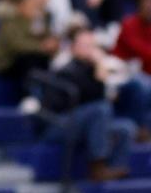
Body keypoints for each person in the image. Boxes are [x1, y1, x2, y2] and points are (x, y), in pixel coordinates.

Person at [45, 24, 135, 181]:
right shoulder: (67, 69)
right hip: (60, 123)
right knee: (100, 109)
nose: (89, 50)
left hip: (88, 123)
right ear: (72, 47)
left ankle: (115, 172)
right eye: (84, 45)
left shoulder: (92, 69)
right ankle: (97, 167)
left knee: (126, 128)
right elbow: (87, 96)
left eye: (92, 46)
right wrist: (100, 68)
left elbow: (106, 94)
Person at [0, 0, 58, 88]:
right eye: (33, 3)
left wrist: (51, 44)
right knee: (29, 59)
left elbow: (46, 38)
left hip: (27, 61)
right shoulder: (10, 18)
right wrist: (42, 47)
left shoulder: (39, 19)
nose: (36, 8)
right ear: (24, 2)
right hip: (5, 62)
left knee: (42, 60)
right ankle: (30, 95)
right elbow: (17, 45)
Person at [115, 0, 151, 77]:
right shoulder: (129, 24)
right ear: (140, 7)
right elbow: (141, 50)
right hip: (124, 69)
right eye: (147, 8)